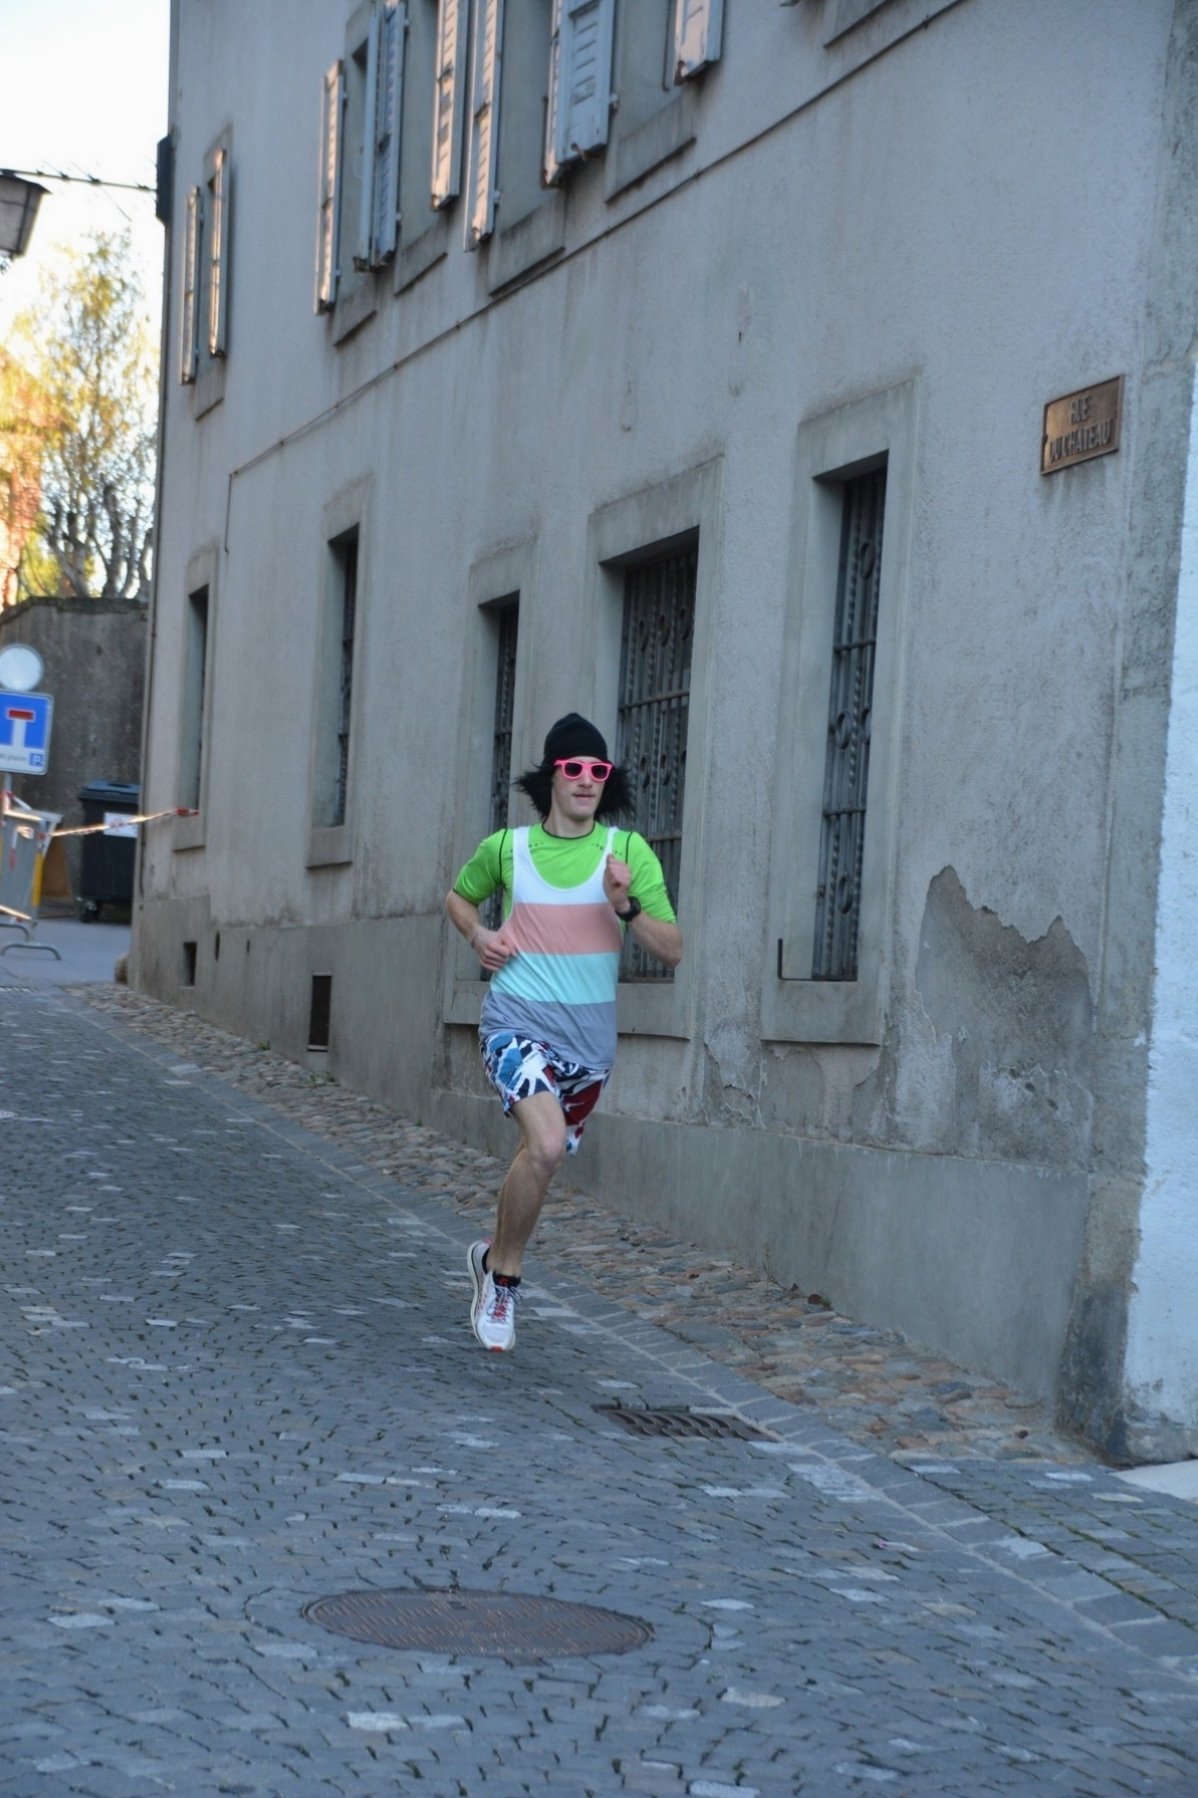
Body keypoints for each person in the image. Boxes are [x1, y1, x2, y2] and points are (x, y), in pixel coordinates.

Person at [446, 713, 683, 1351]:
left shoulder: (626, 855)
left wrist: (625, 906)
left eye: (597, 770)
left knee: (538, 1156)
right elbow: (458, 898)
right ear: (551, 775)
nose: (585, 779)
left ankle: (490, 1256)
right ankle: (505, 1282)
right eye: (573, 768)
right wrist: (478, 935)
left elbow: (673, 949)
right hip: (515, 1022)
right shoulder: (508, 849)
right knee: (547, 1145)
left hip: (589, 1048)